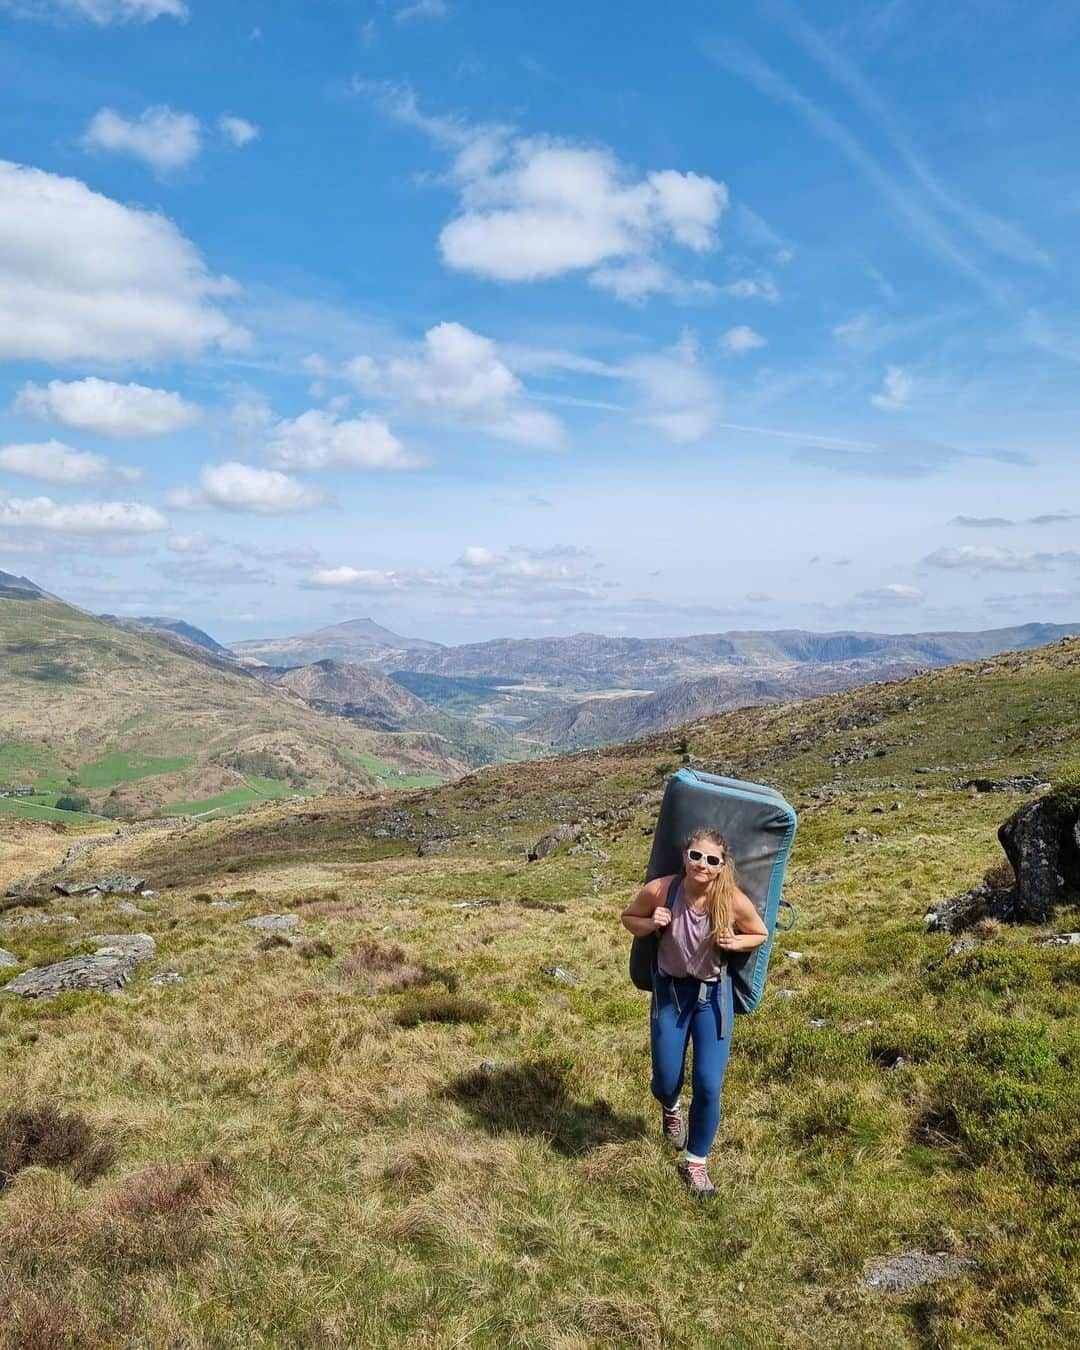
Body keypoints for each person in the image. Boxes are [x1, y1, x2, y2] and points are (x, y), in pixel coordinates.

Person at [620, 828, 768, 1196]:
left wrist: (736, 941)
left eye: (712, 860)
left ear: (721, 867)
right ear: (685, 857)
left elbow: (760, 933)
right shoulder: (662, 890)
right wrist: (651, 923)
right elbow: (628, 918)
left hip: (711, 1000)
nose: (703, 864)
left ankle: (697, 1163)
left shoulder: (730, 899)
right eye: (696, 856)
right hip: (670, 995)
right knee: (666, 1081)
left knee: (708, 1085)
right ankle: (671, 1108)